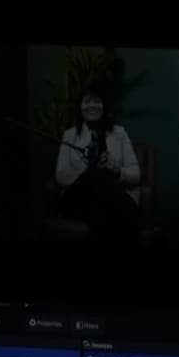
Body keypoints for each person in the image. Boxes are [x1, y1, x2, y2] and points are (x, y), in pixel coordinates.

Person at [49, 86, 144, 249]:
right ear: (80, 107)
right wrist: (90, 175)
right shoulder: (69, 135)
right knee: (96, 175)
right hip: (77, 200)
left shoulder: (119, 133)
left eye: (97, 101)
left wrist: (115, 170)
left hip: (112, 200)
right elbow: (61, 176)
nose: (92, 106)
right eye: (87, 101)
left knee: (103, 211)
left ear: (104, 106)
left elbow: (136, 175)